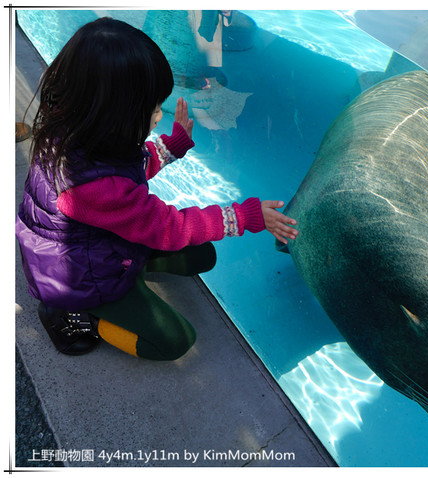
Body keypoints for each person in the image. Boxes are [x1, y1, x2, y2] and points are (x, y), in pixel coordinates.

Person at [15, 17, 298, 360]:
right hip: (82, 281)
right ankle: (73, 314)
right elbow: (168, 226)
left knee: (203, 255)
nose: (157, 115)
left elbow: (125, 169)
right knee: (174, 341)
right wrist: (245, 216)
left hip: (100, 246)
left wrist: (173, 145)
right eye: (150, 109)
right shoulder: (89, 186)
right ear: (113, 115)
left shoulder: (76, 131)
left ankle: (129, 273)